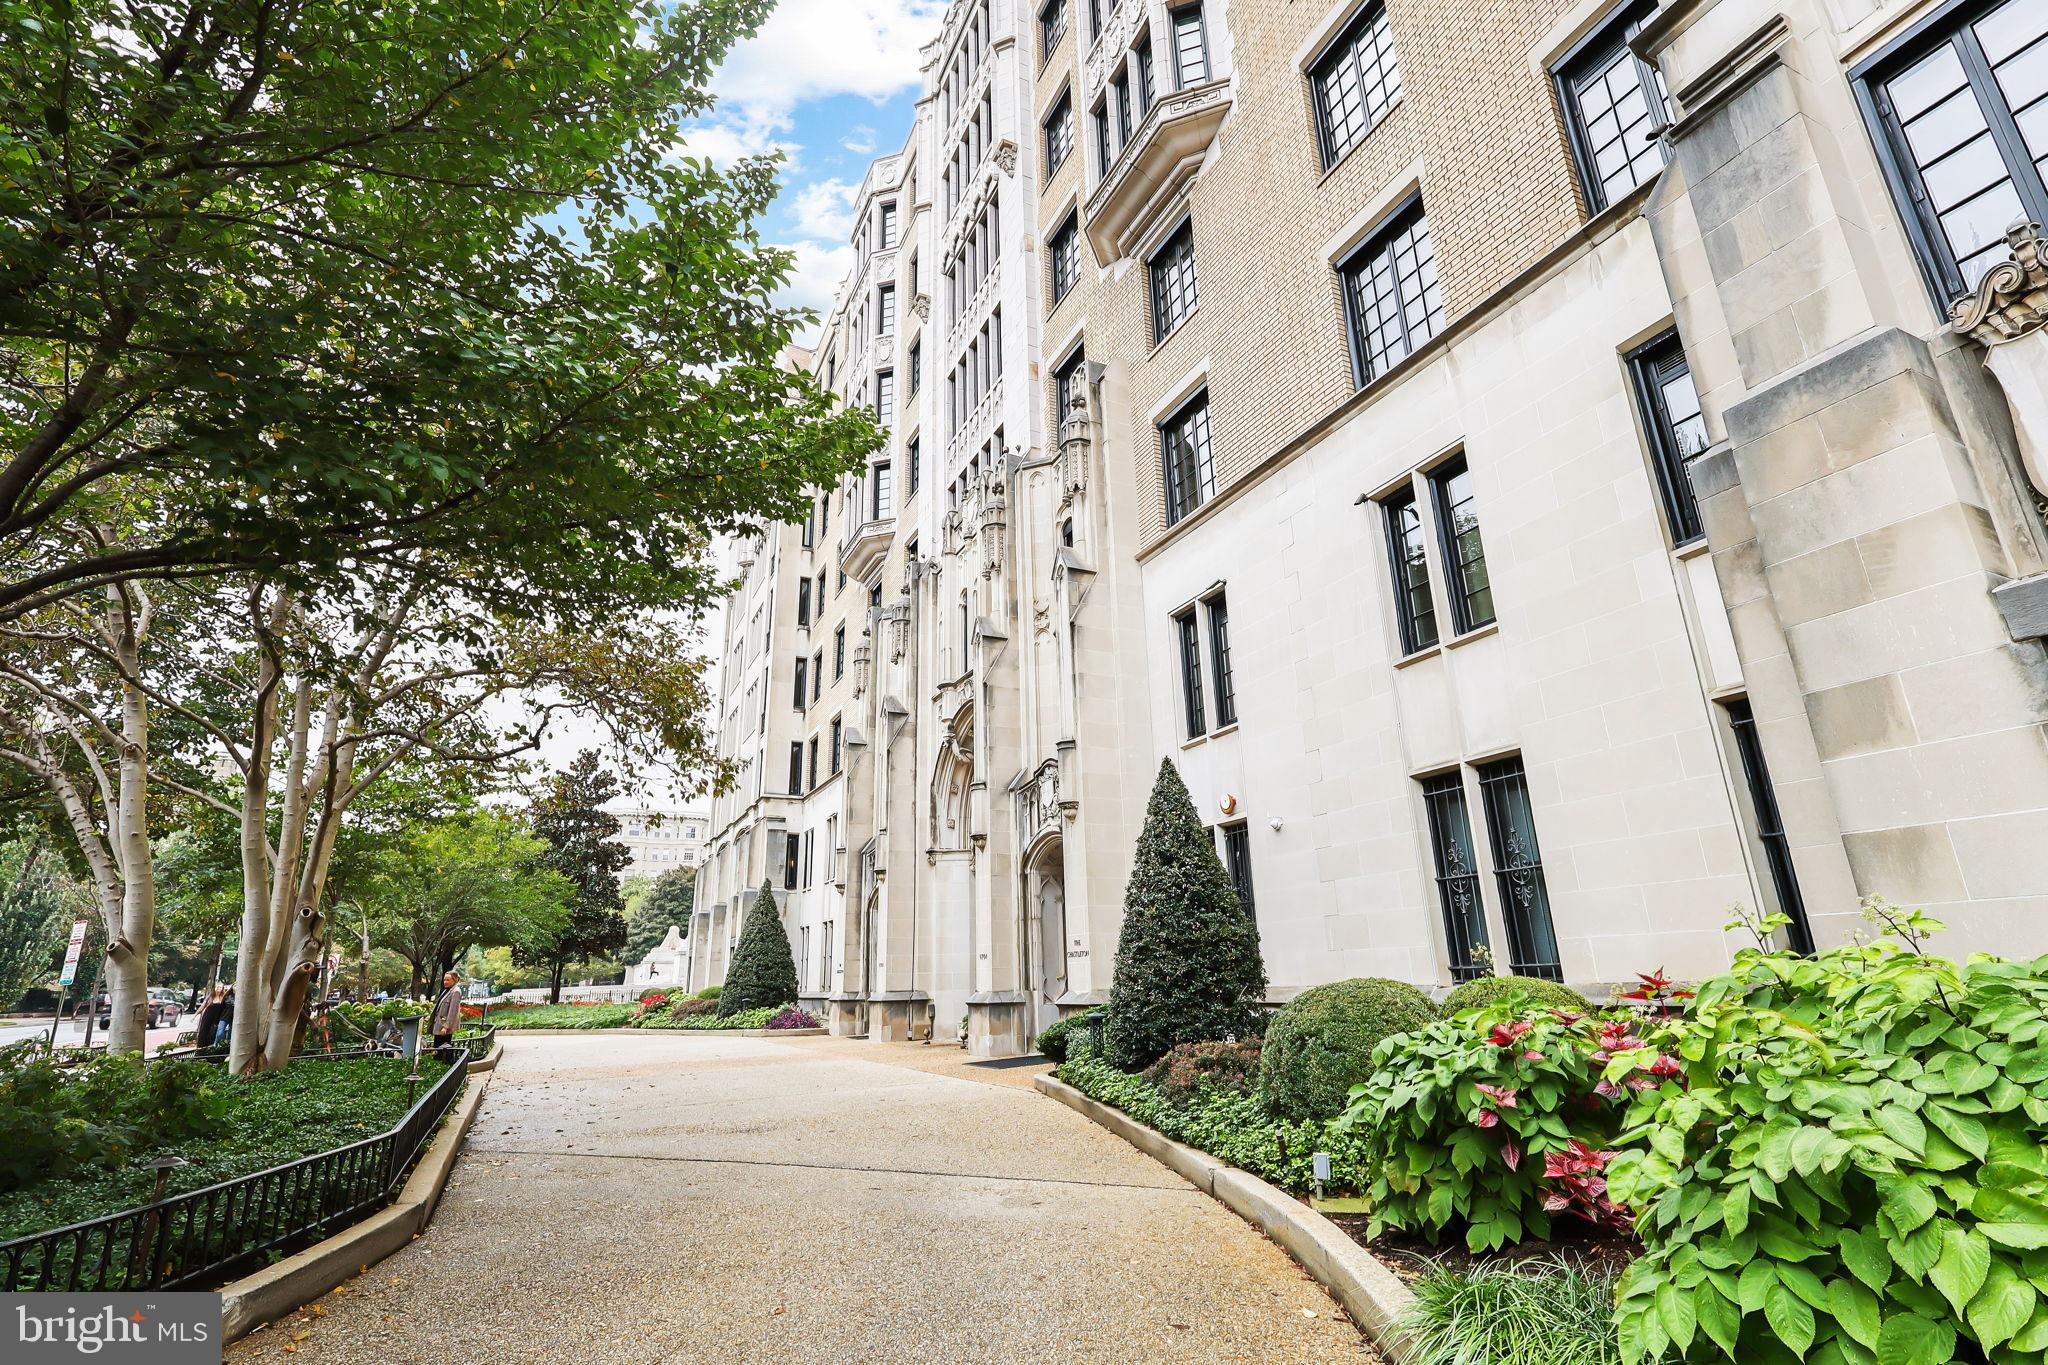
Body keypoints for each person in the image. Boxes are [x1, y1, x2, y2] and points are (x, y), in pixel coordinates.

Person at [429, 971, 464, 1060]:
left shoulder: (455, 991)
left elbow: (453, 1011)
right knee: (438, 1049)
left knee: (443, 1050)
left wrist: (446, 1027)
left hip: (444, 1028)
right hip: (440, 1025)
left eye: (448, 980)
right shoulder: (447, 990)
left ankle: (446, 1067)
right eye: (444, 980)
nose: (445, 982)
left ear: (454, 980)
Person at [194, 986, 228, 1052]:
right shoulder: (210, 997)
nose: (218, 989)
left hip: (217, 1018)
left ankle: (210, 1049)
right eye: (217, 987)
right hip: (207, 1016)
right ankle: (200, 1050)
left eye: (220, 987)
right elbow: (202, 1006)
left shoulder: (224, 998)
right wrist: (195, 1015)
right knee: (203, 1032)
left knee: (212, 1033)